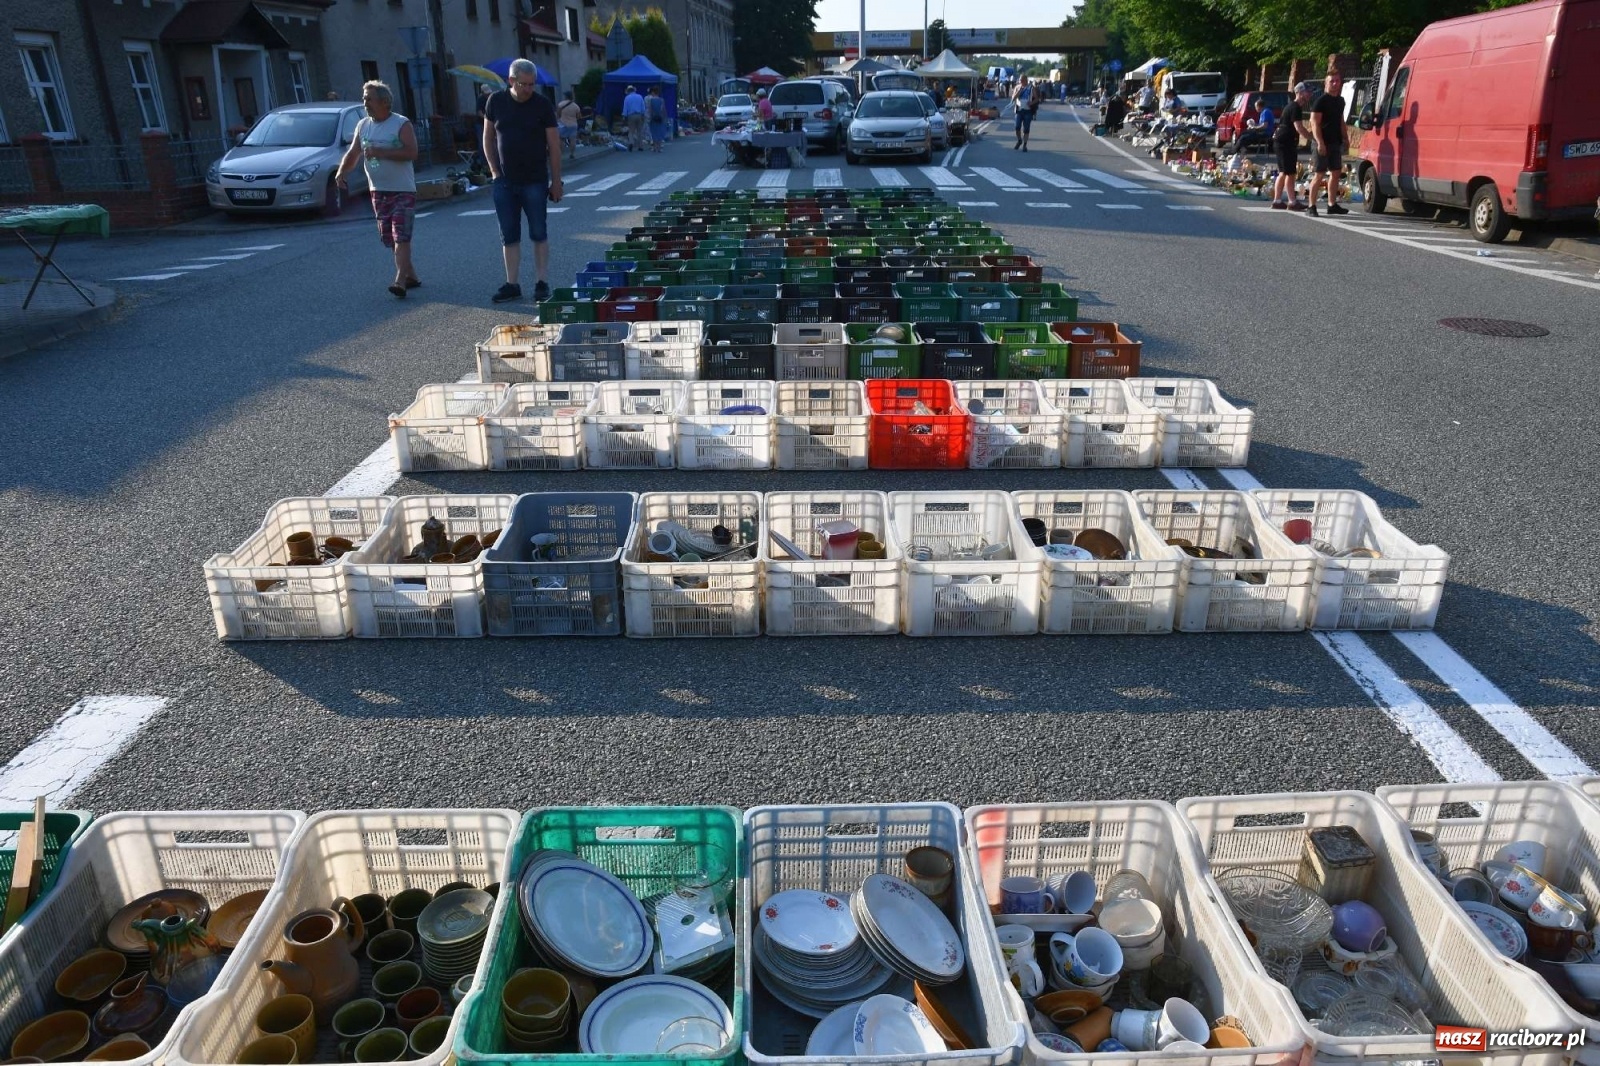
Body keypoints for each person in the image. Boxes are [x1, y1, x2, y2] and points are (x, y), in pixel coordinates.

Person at [482, 58, 563, 304]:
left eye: (532, 84)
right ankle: (512, 283)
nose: (529, 89)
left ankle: (541, 281)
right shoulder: (495, 101)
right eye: (524, 84)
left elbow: (554, 145)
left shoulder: (542, 105)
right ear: (511, 81)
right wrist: (494, 171)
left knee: (539, 231)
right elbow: (488, 137)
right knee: (509, 234)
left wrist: (556, 180)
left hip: (535, 180)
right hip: (505, 181)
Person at [334, 80, 419, 299]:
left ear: (384, 101)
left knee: (401, 234)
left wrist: (381, 151)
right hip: (378, 190)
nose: (365, 103)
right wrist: (342, 172)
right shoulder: (363, 125)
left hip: (402, 189)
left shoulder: (401, 124)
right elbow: (354, 153)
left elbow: (411, 153)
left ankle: (400, 280)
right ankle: (411, 274)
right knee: (389, 237)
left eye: (368, 98)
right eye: (364, 98)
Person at [1306, 71, 1349, 217]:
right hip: (1321, 142)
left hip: (1335, 142)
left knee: (1336, 173)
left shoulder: (1340, 101)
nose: (1335, 84)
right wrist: (1320, 143)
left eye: (1337, 81)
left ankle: (1332, 204)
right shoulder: (1321, 101)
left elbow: (1340, 121)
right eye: (1332, 81)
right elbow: (1314, 123)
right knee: (1319, 174)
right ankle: (1311, 206)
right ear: (1326, 83)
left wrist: (1345, 138)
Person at [1271, 82, 1314, 210]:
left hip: (1284, 142)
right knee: (1286, 172)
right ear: (1300, 93)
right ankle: (1282, 201)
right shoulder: (1295, 107)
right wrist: (1312, 137)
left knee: (1288, 172)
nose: (1310, 94)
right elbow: (1299, 128)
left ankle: (1288, 201)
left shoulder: (1293, 106)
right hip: (1285, 142)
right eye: (1308, 92)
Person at [555, 90, 582, 160]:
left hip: (563, 124)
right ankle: (572, 154)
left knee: (561, 139)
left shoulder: (560, 104)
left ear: (566, 96)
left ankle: (561, 154)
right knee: (572, 140)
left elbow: (557, 115)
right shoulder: (576, 106)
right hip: (573, 125)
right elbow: (579, 117)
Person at [1011, 75, 1035, 151]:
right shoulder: (1017, 87)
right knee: (1017, 127)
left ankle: (1025, 144)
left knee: (1026, 129)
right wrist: (1019, 91)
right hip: (1019, 110)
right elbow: (1013, 98)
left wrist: (1031, 103)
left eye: (1022, 80)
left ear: (1026, 80)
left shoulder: (1031, 88)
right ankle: (1019, 140)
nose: (1021, 82)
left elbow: (1037, 98)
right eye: (1020, 80)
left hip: (1028, 111)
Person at [622, 83, 646, 152]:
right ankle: (640, 146)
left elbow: (625, 108)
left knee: (631, 131)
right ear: (634, 90)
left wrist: (624, 116)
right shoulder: (640, 96)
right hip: (639, 115)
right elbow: (643, 107)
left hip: (631, 116)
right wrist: (643, 115)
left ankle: (631, 143)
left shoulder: (627, 98)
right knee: (639, 131)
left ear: (628, 91)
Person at [646, 86, 668, 152]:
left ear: (653, 92)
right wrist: (665, 117)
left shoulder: (651, 100)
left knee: (654, 133)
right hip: (660, 118)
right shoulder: (661, 100)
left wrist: (649, 117)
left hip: (653, 118)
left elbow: (650, 110)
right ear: (658, 92)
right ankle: (659, 147)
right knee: (660, 132)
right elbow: (663, 109)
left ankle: (655, 147)